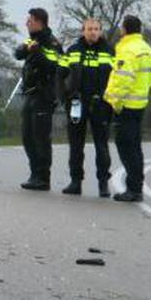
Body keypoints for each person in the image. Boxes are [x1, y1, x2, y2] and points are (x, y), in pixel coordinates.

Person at [55, 16, 116, 196]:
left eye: (96, 29)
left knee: (102, 146)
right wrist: (63, 98)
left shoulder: (109, 51)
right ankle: (75, 182)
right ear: (83, 31)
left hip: (101, 104)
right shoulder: (73, 50)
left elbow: (117, 78)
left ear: (101, 31)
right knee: (75, 145)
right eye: (89, 29)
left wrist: (110, 100)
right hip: (77, 103)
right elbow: (59, 75)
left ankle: (103, 183)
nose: (93, 32)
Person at [104, 14, 151, 202]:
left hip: (126, 105)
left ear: (124, 29)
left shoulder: (128, 50)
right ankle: (136, 186)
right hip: (140, 103)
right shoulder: (148, 50)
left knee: (126, 146)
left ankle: (133, 189)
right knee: (135, 146)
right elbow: (150, 79)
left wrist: (113, 101)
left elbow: (122, 79)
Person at [12, 7, 63, 191]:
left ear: (39, 22)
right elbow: (17, 53)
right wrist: (27, 48)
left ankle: (43, 177)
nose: (26, 23)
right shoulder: (32, 40)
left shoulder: (52, 43)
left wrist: (37, 52)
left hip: (44, 95)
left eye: (30, 20)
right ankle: (34, 173)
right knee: (27, 136)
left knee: (41, 138)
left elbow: (54, 67)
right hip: (30, 94)